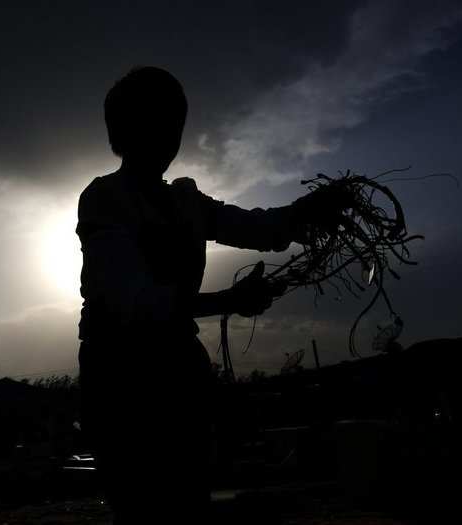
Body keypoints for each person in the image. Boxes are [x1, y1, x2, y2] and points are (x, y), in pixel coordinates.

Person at [76, 66, 338, 523]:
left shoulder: (185, 201)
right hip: (121, 376)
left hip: (179, 366)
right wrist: (227, 302)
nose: (168, 136)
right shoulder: (104, 198)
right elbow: (132, 303)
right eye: (154, 123)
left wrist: (308, 211)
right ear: (123, 132)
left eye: (174, 123)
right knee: (142, 504)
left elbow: (256, 225)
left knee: (189, 497)